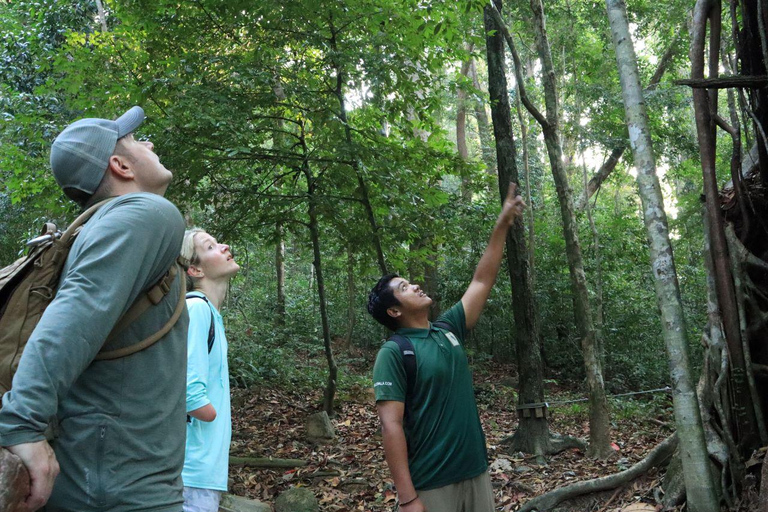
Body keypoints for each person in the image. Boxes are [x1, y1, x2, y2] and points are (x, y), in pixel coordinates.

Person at [0, 106, 189, 512]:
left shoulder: (95, 232)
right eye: (136, 140)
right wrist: (21, 424)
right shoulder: (147, 213)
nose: (148, 143)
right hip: (119, 489)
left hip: (102, 476)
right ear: (120, 165)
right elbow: (76, 310)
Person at [368, 183, 525, 512]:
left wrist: (502, 225)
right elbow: (391, 426)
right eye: (404, 287)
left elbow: (481, 280)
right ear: (394, 311)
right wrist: (408, 498)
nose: (415, 285)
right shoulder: (394, 353)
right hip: (433, 483)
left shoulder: (448, 329)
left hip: (476, 472)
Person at [178, 228, 239, 512]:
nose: (224, 246)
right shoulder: (197, 308)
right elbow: (189, 392)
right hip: (192, 469)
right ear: (195, 270)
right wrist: (211, 414)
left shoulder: (211, 313)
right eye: (211, 246)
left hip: (202, 471)